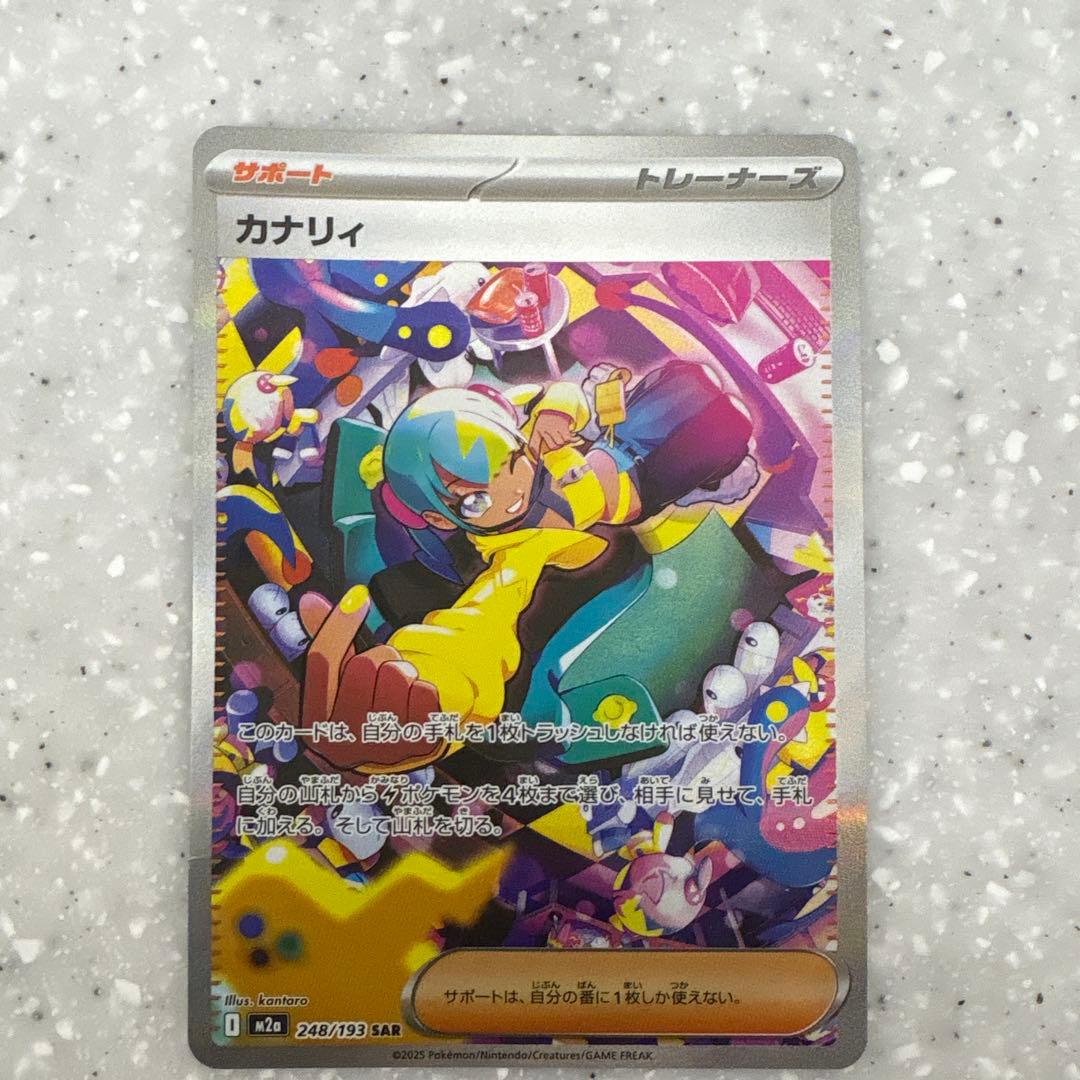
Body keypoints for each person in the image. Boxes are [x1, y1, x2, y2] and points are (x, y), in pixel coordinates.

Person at [301, 359, 758, 774]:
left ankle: (701, 463)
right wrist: (442, 690)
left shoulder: (531, 439)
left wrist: (554, 413)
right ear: (441, 518)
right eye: (475, 500)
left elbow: (564, 395)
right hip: (639, 490)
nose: (512, 493)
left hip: (611, 449)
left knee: (691, 381)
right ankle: (711, 481)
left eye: (511, 463)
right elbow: (479, 622)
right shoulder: (515, 552)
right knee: (730, 426)